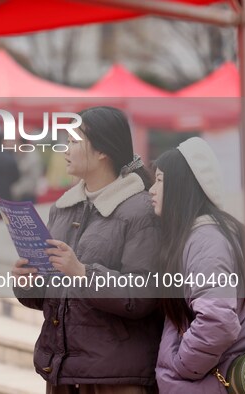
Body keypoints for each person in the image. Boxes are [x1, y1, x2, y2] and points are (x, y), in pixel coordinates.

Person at [13, 106, 163, 394]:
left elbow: (142, 296)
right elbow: (51, 298)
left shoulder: (140, 210)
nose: (65, 149)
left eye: (73, 141)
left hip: (115, 377)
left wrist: (82, 273)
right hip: (62, 371)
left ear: (102, 151)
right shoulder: (62, 208)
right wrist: (27, 281)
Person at [149, 137, 245, 393]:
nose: (152, 190)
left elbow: (217, 319)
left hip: (212, 381)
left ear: (182, 187)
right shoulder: (204, 235)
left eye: (160, 180)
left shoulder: (206, 239)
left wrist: (182, 366)